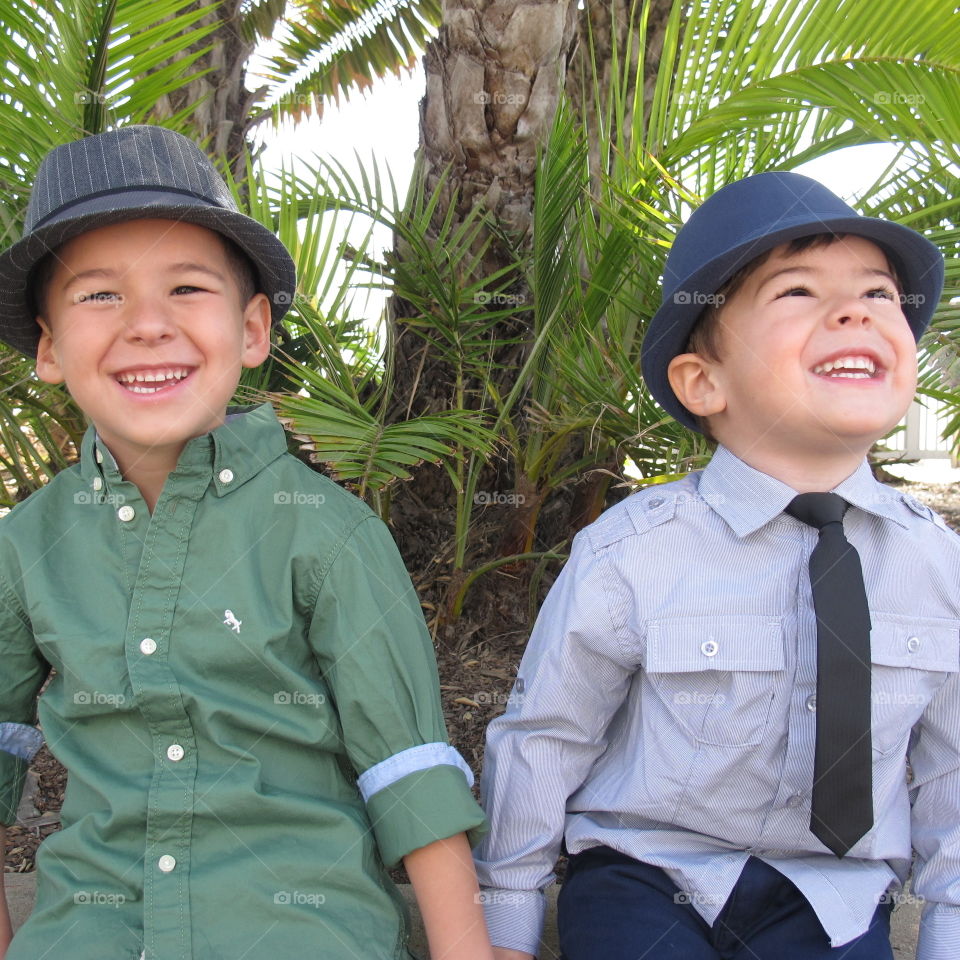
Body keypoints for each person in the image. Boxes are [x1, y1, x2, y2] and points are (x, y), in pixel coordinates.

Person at [0, 125, 493, 960]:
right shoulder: (26, 546)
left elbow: (411, 774)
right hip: (91, 928)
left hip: (300, 929)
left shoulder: (328, 533)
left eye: (187, 288)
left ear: (253, 329)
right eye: (98, 296)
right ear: (49, 347)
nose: (148, 325)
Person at [474, 171, 960, 960]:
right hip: (648, 873)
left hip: (832, 896)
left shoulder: (937, 564)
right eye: (797, 292)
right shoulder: (634, 551)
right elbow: (545, 737)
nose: (855, 311)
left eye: (879, 295)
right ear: (704, 381)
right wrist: (505, 919)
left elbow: (950, 775)